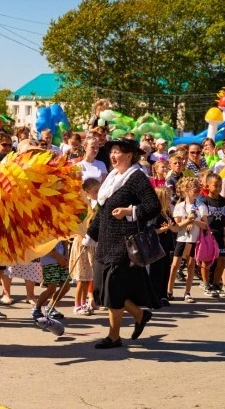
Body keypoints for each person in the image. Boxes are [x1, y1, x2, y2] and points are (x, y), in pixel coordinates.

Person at [82, 138, 161, 349]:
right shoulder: (112, 178)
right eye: (112, 152)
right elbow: (103, 211)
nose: (113, 155)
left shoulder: (136, 177)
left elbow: (153, 207)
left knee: (113, 288)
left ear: (129, 155)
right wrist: (90, 235)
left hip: (123, 243)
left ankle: (114, 336)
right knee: (101, 289)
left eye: (117, 152)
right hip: (106, 242)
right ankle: (139, 314)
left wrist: (130, 212)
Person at [166, 177, 209, 303]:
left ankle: (187, 292)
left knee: (191, 265)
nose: (196, 191)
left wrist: (195, 221)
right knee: (174, 265)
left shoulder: (201, 206)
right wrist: (188, 220)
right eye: (193, 189)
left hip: (195, 239)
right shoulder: (179, 207)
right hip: (181, 239)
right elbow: (177, 227)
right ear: (185, 190)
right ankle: (169, 290)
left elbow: (205, 226)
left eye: (197, 189)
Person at [69, 178, 100, 315]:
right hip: (82, 243)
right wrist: (83, 238)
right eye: (95, 191)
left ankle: (86, 302)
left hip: (92, 243)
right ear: (86, 192)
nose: (98, 193)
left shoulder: (97, 204)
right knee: (81, 279)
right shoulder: (82, 206)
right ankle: (77, 305)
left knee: (88, 277)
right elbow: (78, 225)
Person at [31, 241, 70, 320]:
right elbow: (43, 244)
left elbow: (64, 240)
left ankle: (50, 307)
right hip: (49, 261)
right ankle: (36, 308)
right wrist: (56, 255)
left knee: (66, 287)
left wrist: (66, 254)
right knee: (51, 289)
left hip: (62, 259)